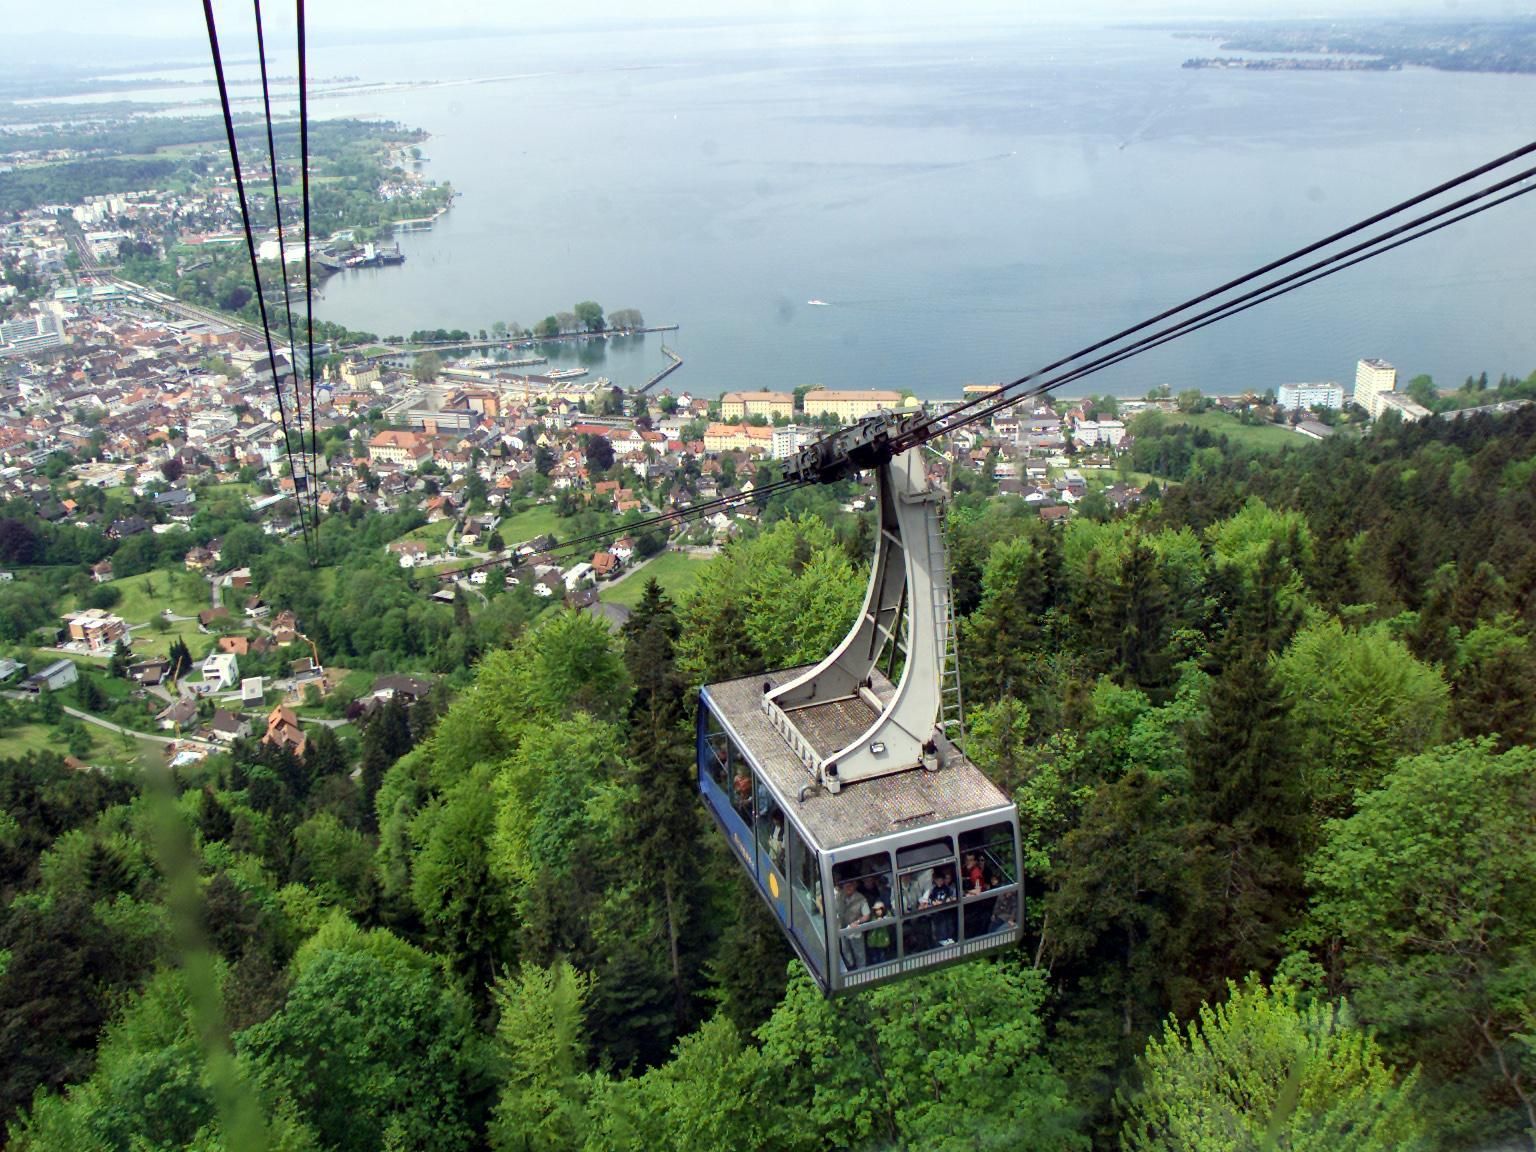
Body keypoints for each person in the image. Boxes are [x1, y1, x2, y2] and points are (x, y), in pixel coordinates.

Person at [836, 877, 870, 970]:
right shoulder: (839, 896)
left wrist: (858, 922)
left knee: (859, 953)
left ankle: (862, 971)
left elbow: (866, 915)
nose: (848, 888)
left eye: (850, 886)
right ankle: (850, 968)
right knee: (845, 951)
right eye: (846, 886)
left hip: (855, 931)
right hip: (842, 929)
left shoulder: (861, 898)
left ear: (854, 886)